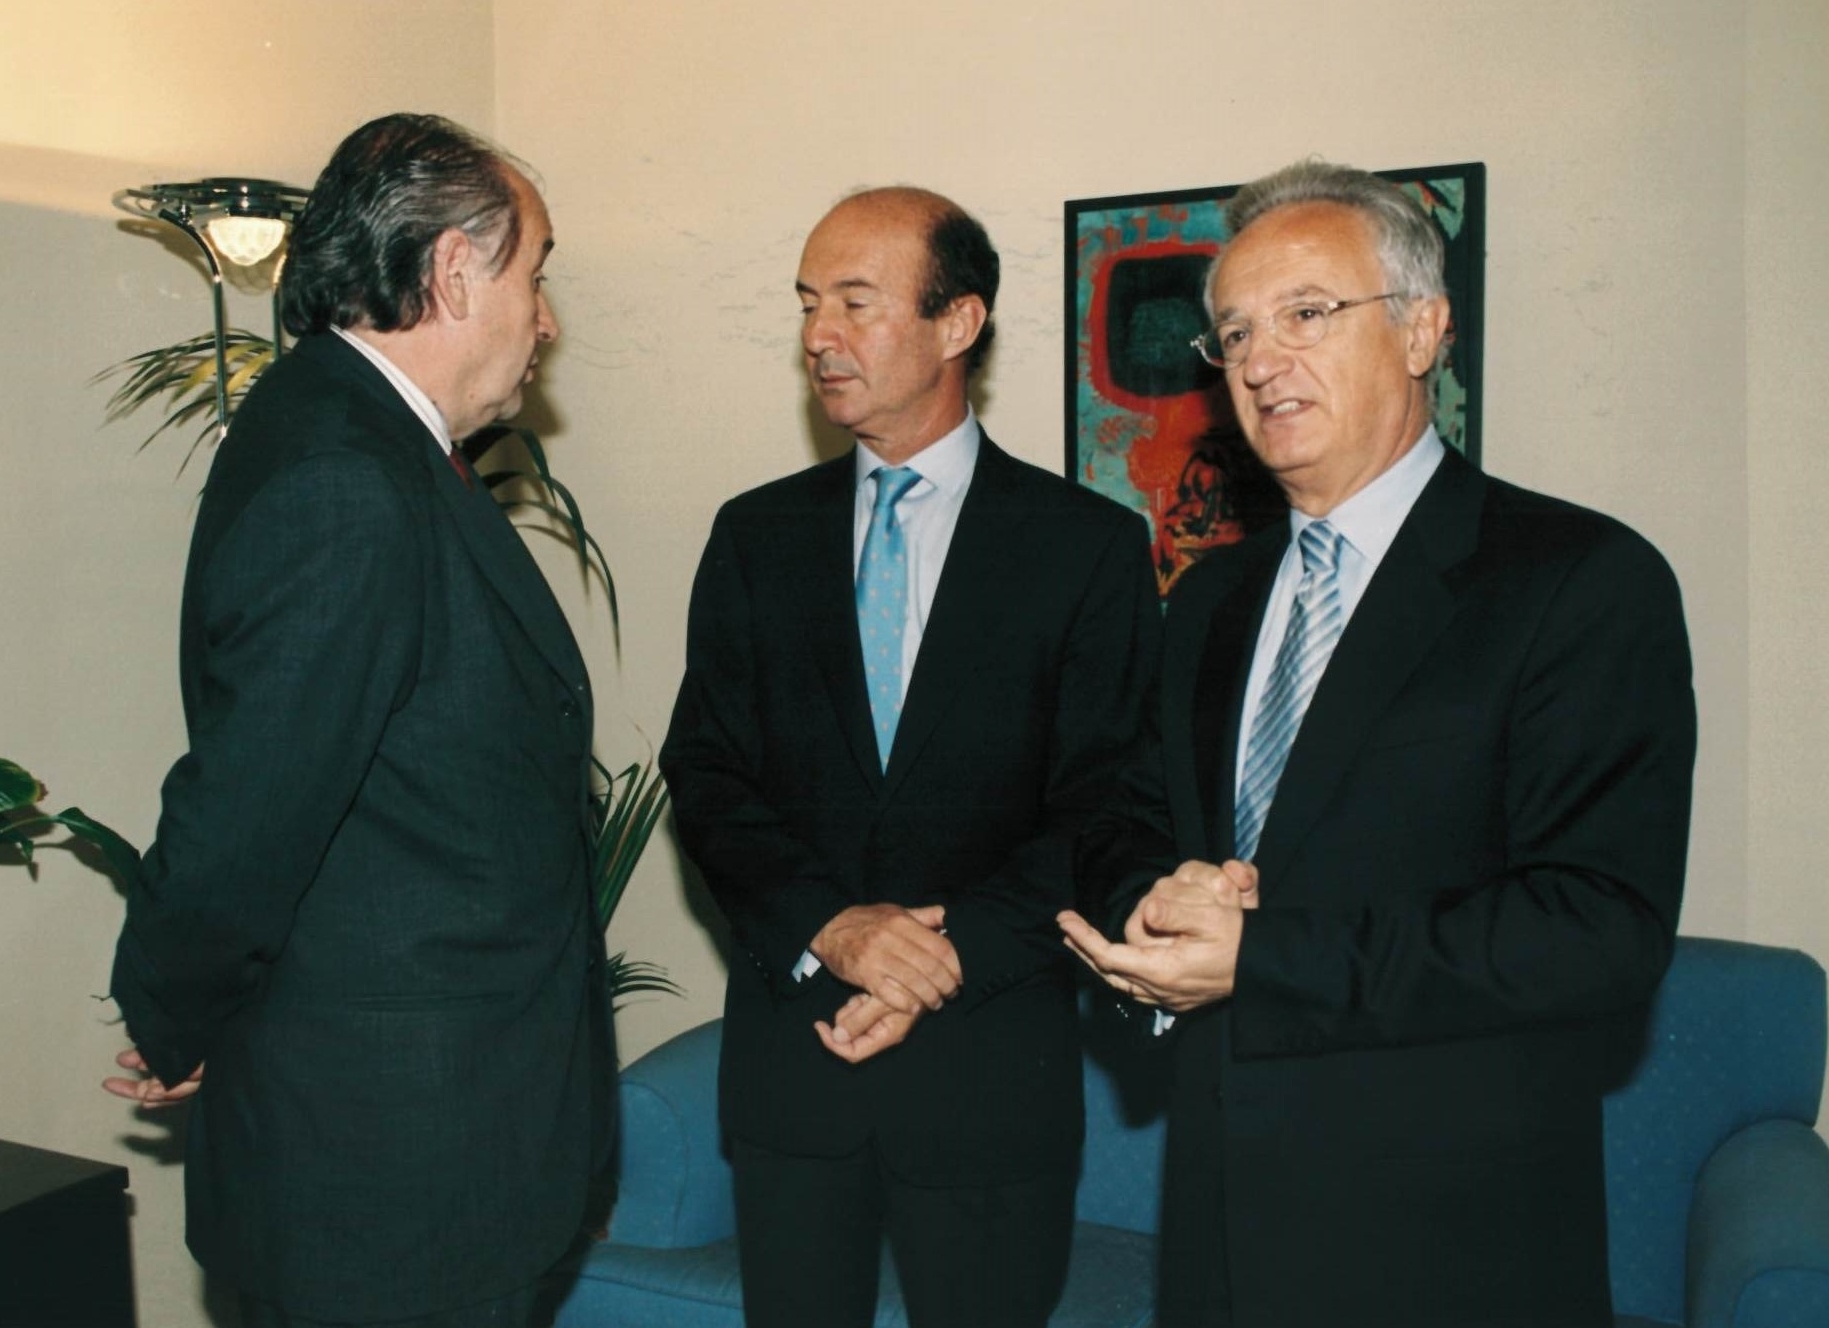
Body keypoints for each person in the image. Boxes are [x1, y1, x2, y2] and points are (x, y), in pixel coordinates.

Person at [1060, 160, 1696, 1328]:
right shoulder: (1208, 598)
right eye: (1233, 333)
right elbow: (1125, 812)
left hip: (1449, 1246)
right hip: (1215, 1231)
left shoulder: (1577, 581)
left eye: (1304, 314)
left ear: (1421, 330)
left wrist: (1262, 956)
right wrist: (1151, 903)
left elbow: (1595, 929)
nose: (1258, 361)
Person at [104, 113, 613, 1328]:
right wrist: (179, 1014)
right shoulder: (348, 473)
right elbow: (246, 807)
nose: (545, 321)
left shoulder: (356, 435)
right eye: (535, 276)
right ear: (454, 272)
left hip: (425, 1151)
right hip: (394, 1181)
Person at [660, 186, 1159, 1328]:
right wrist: (832, 927)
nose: (817, 335)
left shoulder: (1084, 547)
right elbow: (709, 777)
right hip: (797, 1072)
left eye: (854, 301)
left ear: (957, 322)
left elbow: (1108, 802)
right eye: (806, 303)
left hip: (990, 1077)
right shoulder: (754, 535)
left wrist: (939, 956)